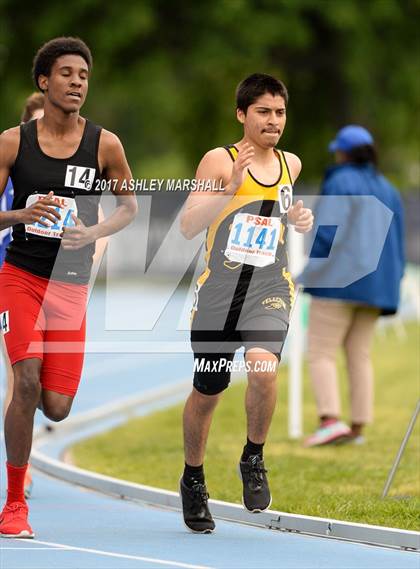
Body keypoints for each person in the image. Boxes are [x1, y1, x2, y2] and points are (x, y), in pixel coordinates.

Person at [0, 36, 138, 538]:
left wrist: (93, 232)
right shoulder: (13, 142)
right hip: (20, 276)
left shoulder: (105, 144)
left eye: (83, 74)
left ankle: (22, 418)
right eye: (66, 73)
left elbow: (128, 206)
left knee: (55, 405)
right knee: (26, 381)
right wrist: (20, 213)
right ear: (43, 81)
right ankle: (15, 504)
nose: (77, 81)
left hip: (70, 287)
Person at [179, 73, 313, 533]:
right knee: (208, 391)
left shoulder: (291, 164)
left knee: (263, 367)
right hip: (220, 295)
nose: (273, 121)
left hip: (268, 289)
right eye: (263, 112)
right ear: (242, 114)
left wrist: (298, 218)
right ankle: (193, 479)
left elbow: (278, 216)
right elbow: (188, 226)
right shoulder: (220, 160)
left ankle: (253, 457)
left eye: (279, 112)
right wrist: (227, 187)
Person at [301, 125, 405, 447]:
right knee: (359, 354)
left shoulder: (339, 180)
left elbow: (328, 232)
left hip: (338, 283)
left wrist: (310, 270)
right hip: (378, 287)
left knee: (321, 351)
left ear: (343, 153)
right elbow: (398, 243)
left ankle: (330, 421)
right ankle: (358, 428)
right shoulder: (389, 188)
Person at [1, 92, 45, 500]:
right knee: (18, 378)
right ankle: (19, 471)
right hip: (8, 275)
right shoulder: (9, 162)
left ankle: (21, 467)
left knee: (21, 379)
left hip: (31, 282)